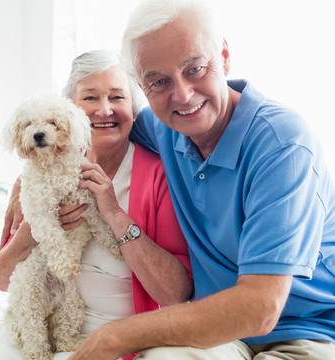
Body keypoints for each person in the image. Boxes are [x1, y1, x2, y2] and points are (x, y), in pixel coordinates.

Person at [54, 0, 335, 359]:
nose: (183, 95)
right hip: (214, 331)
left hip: (303, 330)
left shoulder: (284, 144)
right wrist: (36, 175)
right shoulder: (162, 127)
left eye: (195, 68)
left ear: (224, 56)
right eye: (159, 81)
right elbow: (102, 128)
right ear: (144, 87)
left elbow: (260, 308)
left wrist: (117, 336)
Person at [0, 49, 193, 359]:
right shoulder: (38, 174)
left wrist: (114, 215)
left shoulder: (160, 177)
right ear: (70, 109)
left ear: (135, 110)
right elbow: (2, 280)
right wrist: (30, 234)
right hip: (55, 336)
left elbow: (177, 294)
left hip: (127, 340)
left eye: (117, 97)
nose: (104, 110)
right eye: (91, 98)